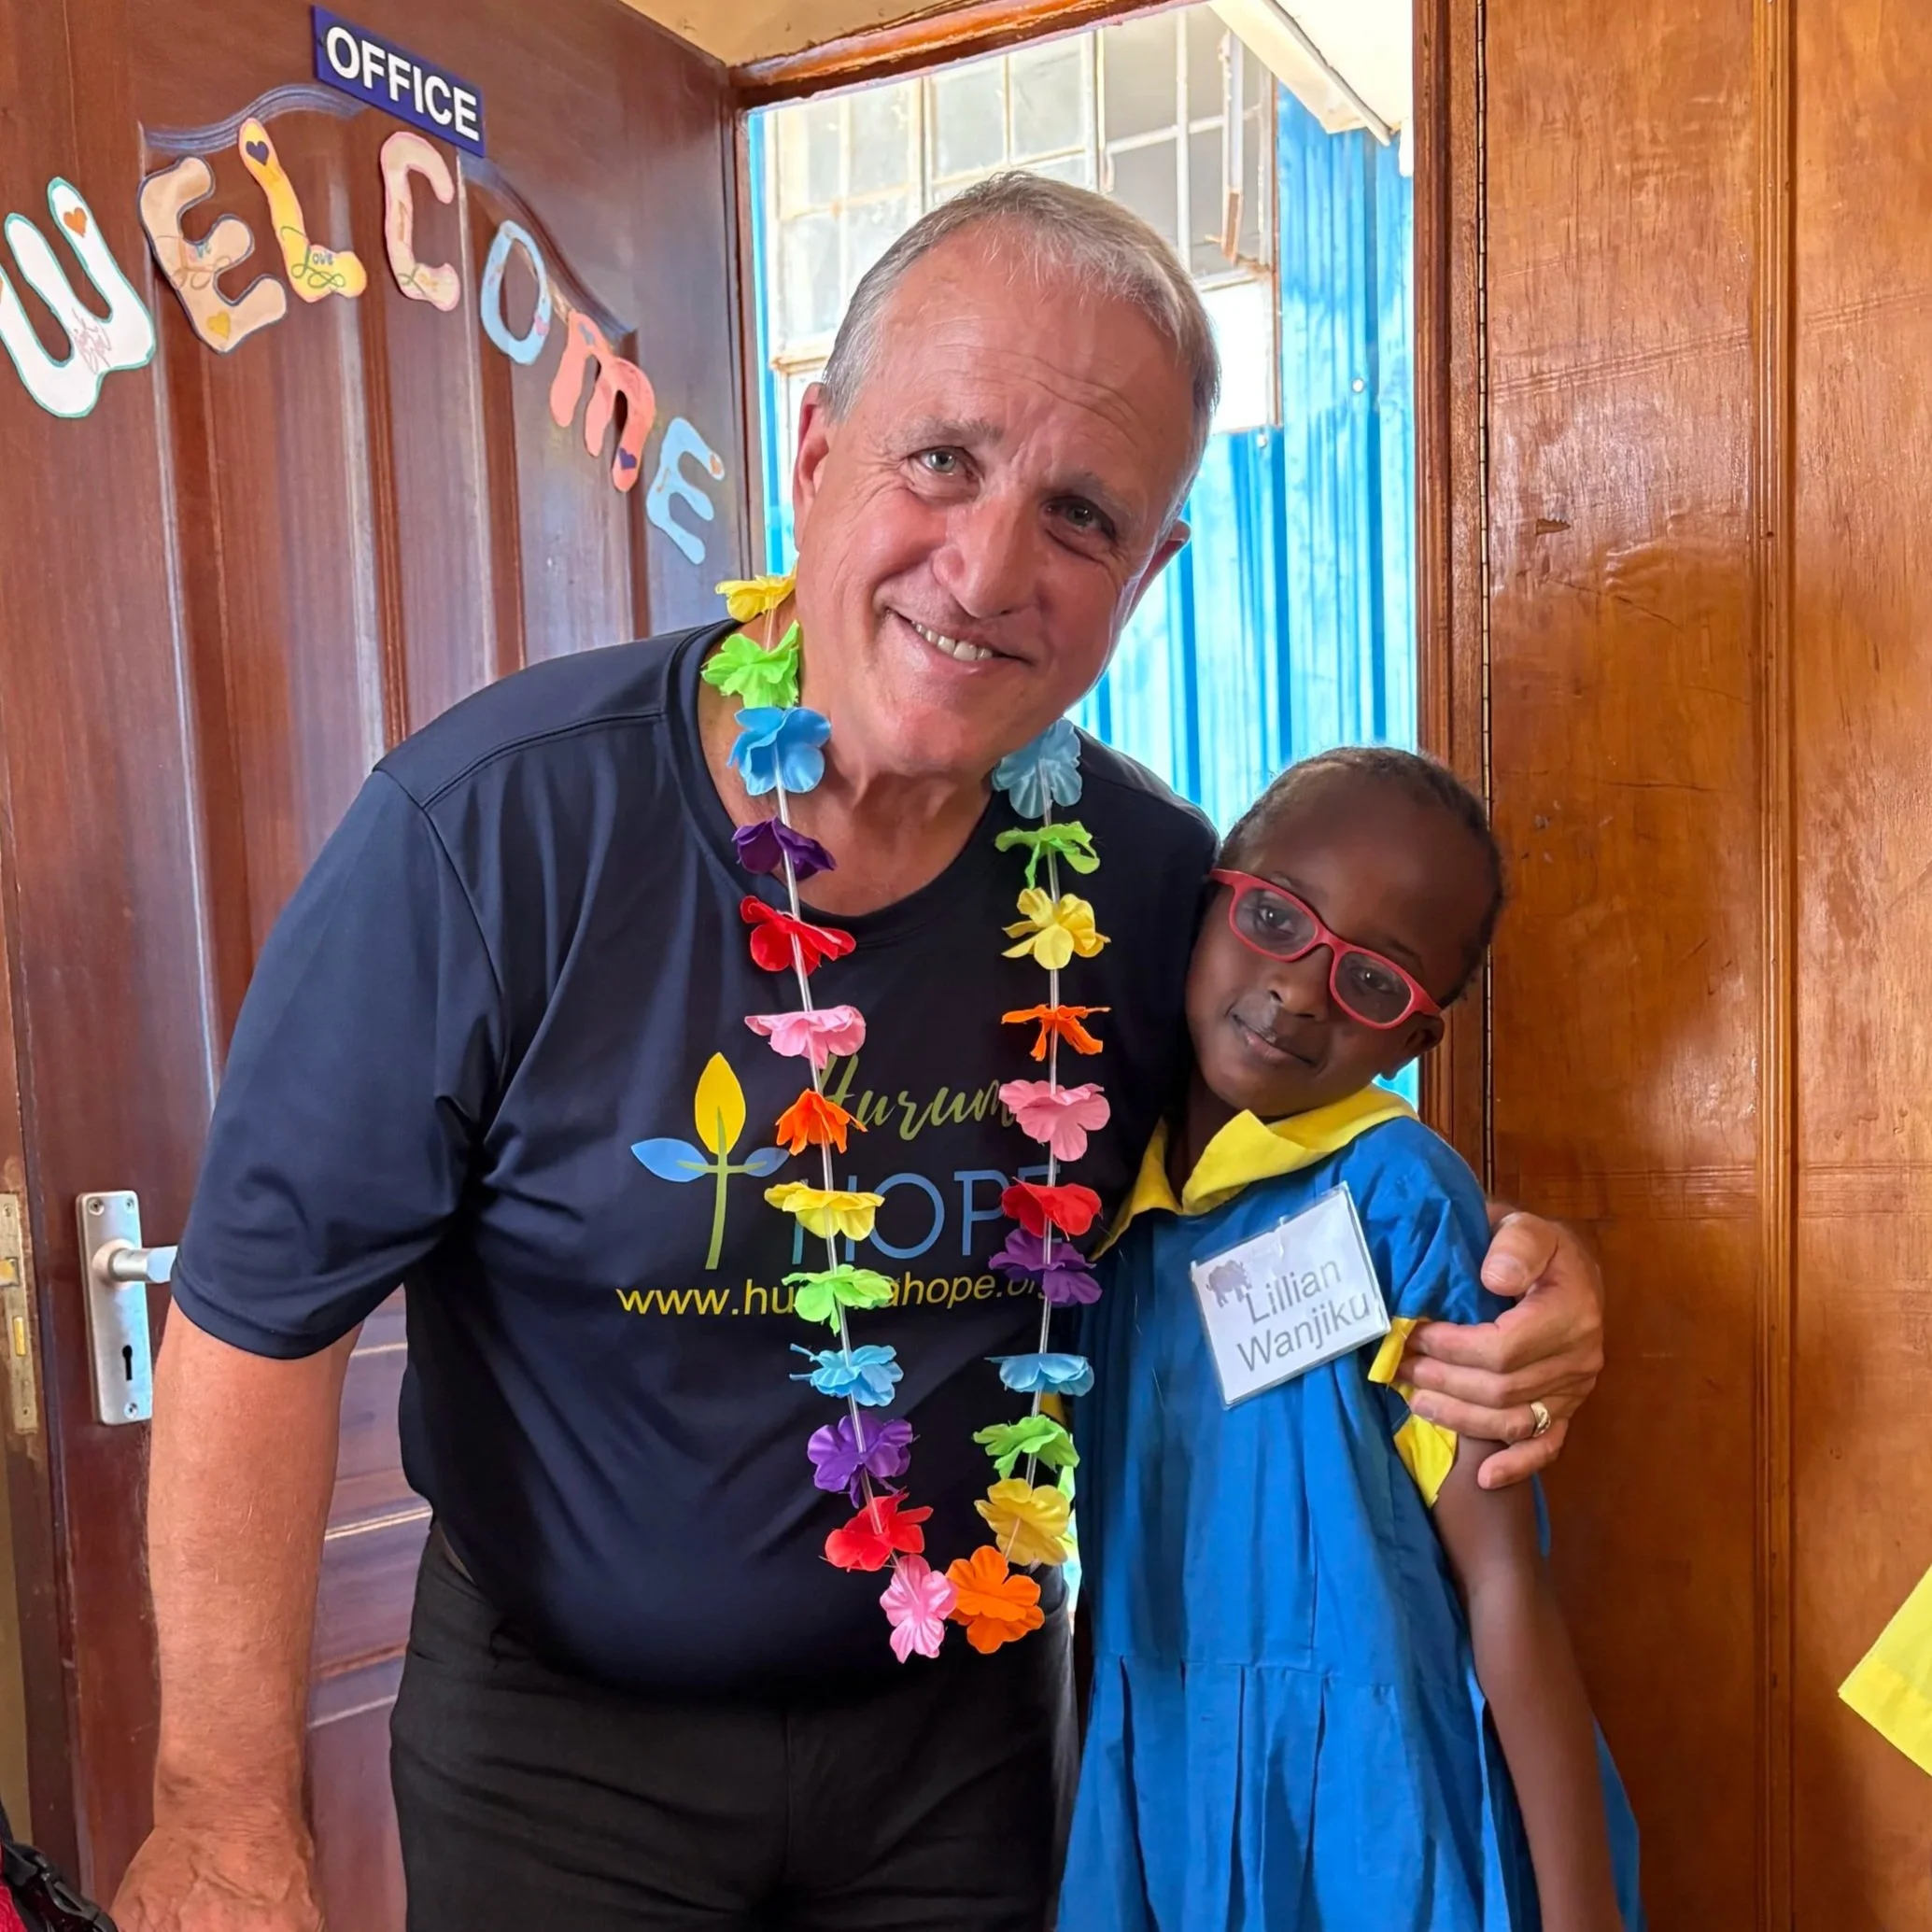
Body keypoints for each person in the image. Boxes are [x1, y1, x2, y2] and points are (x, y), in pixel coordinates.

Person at [114, 176, 1608, 1932]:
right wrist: (220, 1808)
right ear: (813, 449)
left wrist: (1526, 1284)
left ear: (1149, 571)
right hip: (560, 1761)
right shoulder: (495, 830)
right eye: (941, 460)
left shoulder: (1140, 881)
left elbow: (1286, 1156)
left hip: (959, 1750)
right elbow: (253, 1315)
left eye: (1076, 512)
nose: (984, 572)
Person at [1060, 747, 1643, 1932]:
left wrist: (1581, 1912)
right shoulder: (1105, 1211)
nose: (1304, 989)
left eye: (1375, 982)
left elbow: (1498, 1575)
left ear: (1413, 1039)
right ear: (1214, 893)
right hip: (1159, 1787)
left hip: (1375, 1809)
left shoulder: (1393, 1200)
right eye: (1276, 916)